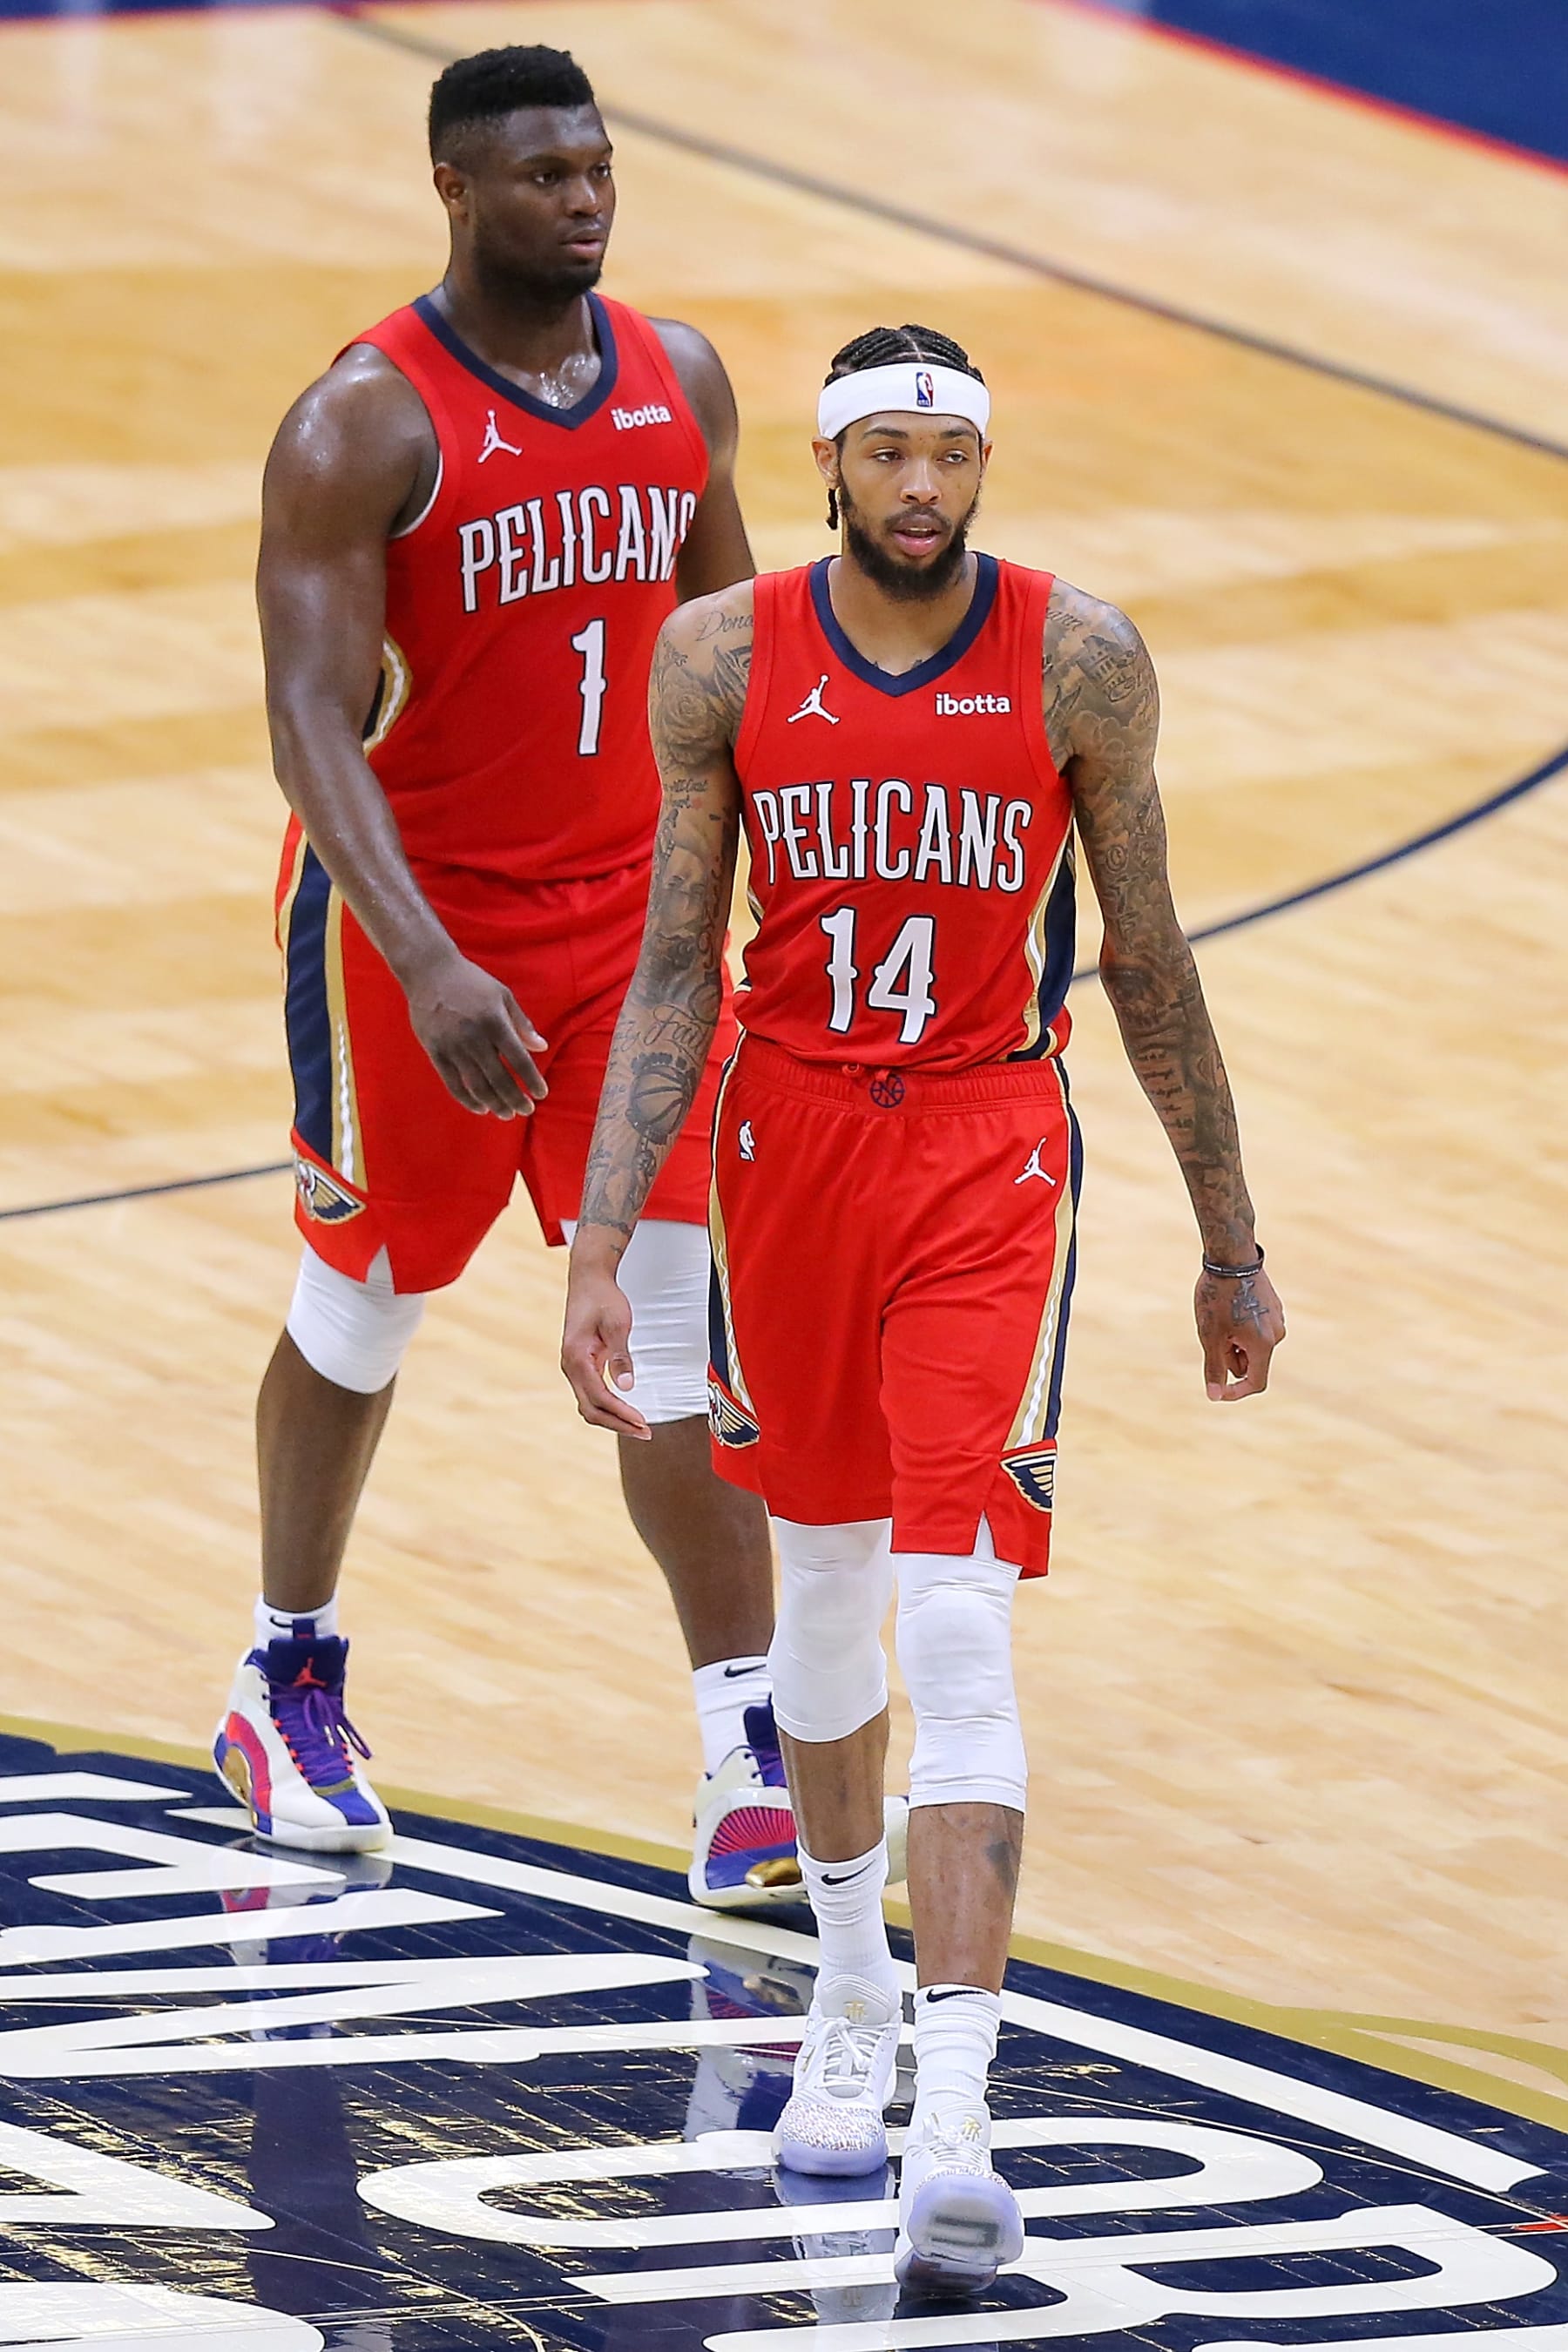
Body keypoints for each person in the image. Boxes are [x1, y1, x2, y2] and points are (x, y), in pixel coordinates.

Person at [561, 322, 1286, 2295]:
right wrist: (609, 1233)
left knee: (957, 1619)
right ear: (828, 468)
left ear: (980, 468)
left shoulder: (1077, 656)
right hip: (784, 1146)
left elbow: (1145, 957)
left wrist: (1229, 1234)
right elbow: (674, 962)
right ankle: (854, 1995)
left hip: (983, 1151)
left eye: (947, 456)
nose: (920, 488)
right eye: (885, 453)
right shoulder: (720, 655)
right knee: (816, 1603)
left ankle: (956, 2102)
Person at [214, 43, 793, 1905]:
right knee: (364, 1306)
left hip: (629, 923)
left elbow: (728, 654)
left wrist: (771, 880)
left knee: (687, 1331)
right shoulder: (363, 423)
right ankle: (283, 1670)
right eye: (545, 175)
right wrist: (429, 957)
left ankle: (744, 1743)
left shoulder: (677, 377)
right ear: (456, 188)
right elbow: (309, 725)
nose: (586, 199)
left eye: (600, 166)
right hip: (415, 923)